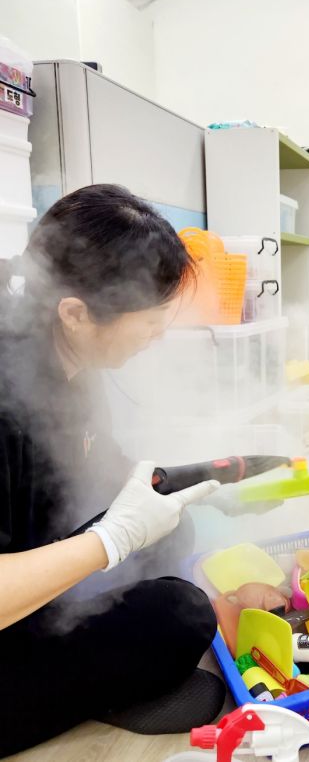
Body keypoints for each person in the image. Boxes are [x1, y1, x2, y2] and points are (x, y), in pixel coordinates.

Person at [0, 185, 226, 757]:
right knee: (179, 617)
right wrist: (111, 539)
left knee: (174, 530)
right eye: (149, 321)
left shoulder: (71, 356)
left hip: (33, 567)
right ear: (76, 313)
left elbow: (95, 467)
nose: (158, 335)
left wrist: (202, 486)